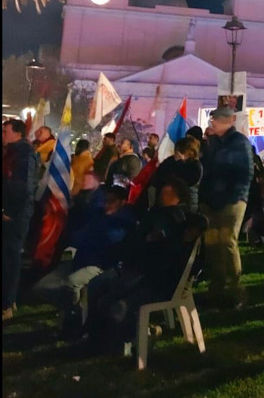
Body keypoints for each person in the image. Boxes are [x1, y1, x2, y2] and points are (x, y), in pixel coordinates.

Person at [86, 178, 204, 352]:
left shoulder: (180, 220)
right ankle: (100, 338)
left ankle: (130, 338)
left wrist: (152, 241)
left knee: (113, 301)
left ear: (179, 197)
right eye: (162, 193)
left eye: (168, 194)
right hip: (133, 268)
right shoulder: (154, 215)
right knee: (98, 288)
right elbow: (134, 242)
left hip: (150, 276)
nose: (163, 197)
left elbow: (173, 252)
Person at [30, 185, 135, 338]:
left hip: (101, 265)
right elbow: (78, 236)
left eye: (111, 201)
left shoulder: (123, 222)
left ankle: (73, 319)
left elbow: (108, 242)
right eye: (105, 200)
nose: (106, 204)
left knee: (71, 284)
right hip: (80, 259)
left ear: (122, 202)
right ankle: (75, 311)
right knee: (42, 287)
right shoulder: (97, 215)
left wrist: (90, 234)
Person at [198, 106, 253, 308]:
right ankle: (217, 288)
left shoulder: (239, 142)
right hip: (212, 199)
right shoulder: (213, 143)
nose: (212, 123)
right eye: (212, 120)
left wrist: (236, 196)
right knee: (212, 242)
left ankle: (235, 289)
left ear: (228, 121)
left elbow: (245, 172)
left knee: (228, 241)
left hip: (232, 199)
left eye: (216, 120)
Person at [2, 119, 40, 321]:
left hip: (16, 214)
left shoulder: (24, 154)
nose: (3, 134)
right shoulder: (12, 152)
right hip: (11, 210)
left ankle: (7, 304)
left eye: (5, 131)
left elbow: (22, 187)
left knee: (10, 258)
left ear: (17, 133)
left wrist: (10, 211)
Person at [150, 137, 203, 213]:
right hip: (164, 201)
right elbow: (159, 175)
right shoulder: (170, 160)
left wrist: (180, 163)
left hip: (184, 205)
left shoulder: (195, 166)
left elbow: (186, 182)